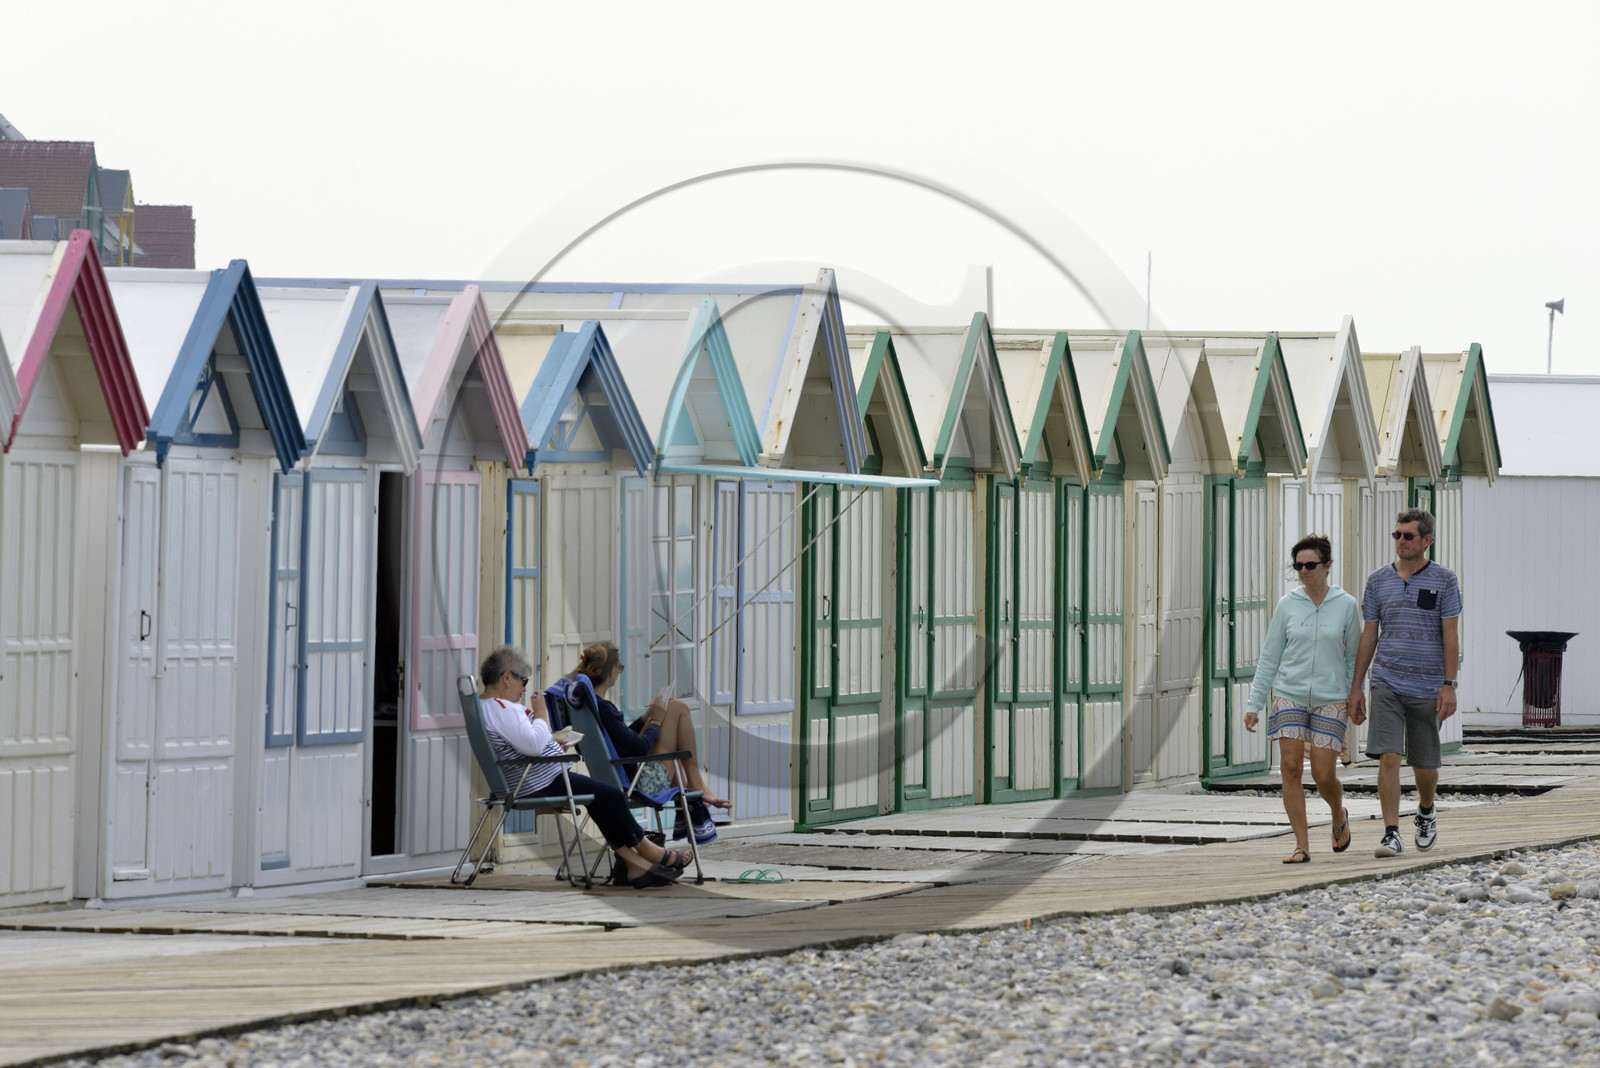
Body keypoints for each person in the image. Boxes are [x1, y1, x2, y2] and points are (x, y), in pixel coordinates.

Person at [477, 645, 690, 888]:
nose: (524, 688)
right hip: (542, 782)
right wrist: (541, 713)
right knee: (611, 796)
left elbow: (522, 743)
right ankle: (649, 849)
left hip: (529, 780)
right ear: (506, 677)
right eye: (523, 681)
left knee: (599, 800)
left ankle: (635, 865)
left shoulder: (486, 707)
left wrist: (551, 740)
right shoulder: (504, 709)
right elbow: (534, 745)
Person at [1244, 535, 1364, 863]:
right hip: (1289, 695)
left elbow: (1354, 657)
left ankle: (1338, 813)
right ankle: (1301, 845)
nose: (1303, 571)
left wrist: (1356, 694)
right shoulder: (1287, 605)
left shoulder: (1346, 605)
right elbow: (1270, 657)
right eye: (1298, 566)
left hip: (1331, 698)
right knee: (1290, 768)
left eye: (1310, 565)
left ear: (1327, 566)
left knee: (1324, 774)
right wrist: (1254, 704)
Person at [1349, 508, 1461, 858]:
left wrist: (1449, 684)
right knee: (1389, 755)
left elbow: (1451, 635)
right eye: (1397, 535)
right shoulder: (1377, 580)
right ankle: (1391, 833)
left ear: (1427, 540)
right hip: (1386, 681)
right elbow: (1369, 634)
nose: (1401, 541)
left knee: (1424, 764)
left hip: (1428, 685)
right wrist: (1356, 687)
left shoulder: (1445, 579)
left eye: (1408, 536)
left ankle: (1426, 810)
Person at [560, 640, 732, 844]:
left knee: (670, 709)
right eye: (620, 667)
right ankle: (695, 784)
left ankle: (687, 784)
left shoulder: (590, 708)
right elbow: (640, 747)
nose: (620, 671)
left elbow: (623, 740)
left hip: (615, 778)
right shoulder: (605, 708)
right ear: (612, 670)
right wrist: (656, 720)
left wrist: (646, 717)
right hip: (640, 783)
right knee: (678, 708)